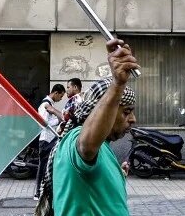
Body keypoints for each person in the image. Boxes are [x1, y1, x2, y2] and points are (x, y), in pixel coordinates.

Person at [35, 39, 139, 216]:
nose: (133, 119)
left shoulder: (103, 147)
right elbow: (86, 148)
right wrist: (117, 84)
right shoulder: (76, 139)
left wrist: (115, 174)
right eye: (126, 111)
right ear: (101, 110)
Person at [34, 84, 65, 200]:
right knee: (43, 167)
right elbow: (42, 123)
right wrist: (58, 119)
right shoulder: (45, 104)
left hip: (50, 139)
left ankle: (42, 191)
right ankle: (38, 193)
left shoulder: (50, 104)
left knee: (46, 166)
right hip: (46, 140)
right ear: (56, 93)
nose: (60, 99)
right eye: (60, 96)